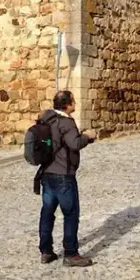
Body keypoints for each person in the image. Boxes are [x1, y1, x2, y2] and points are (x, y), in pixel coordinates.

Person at [36, 90, 97, 267]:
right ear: (67, 104)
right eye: (73, 102)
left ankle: (46, 251)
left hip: (47, 174)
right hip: (64, 175)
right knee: (71, 214)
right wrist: (88, 136)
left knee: (47, 213)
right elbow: (74, 143)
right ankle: (71, 253)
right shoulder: (67, 122)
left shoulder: (46, 119)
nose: (75, 104)